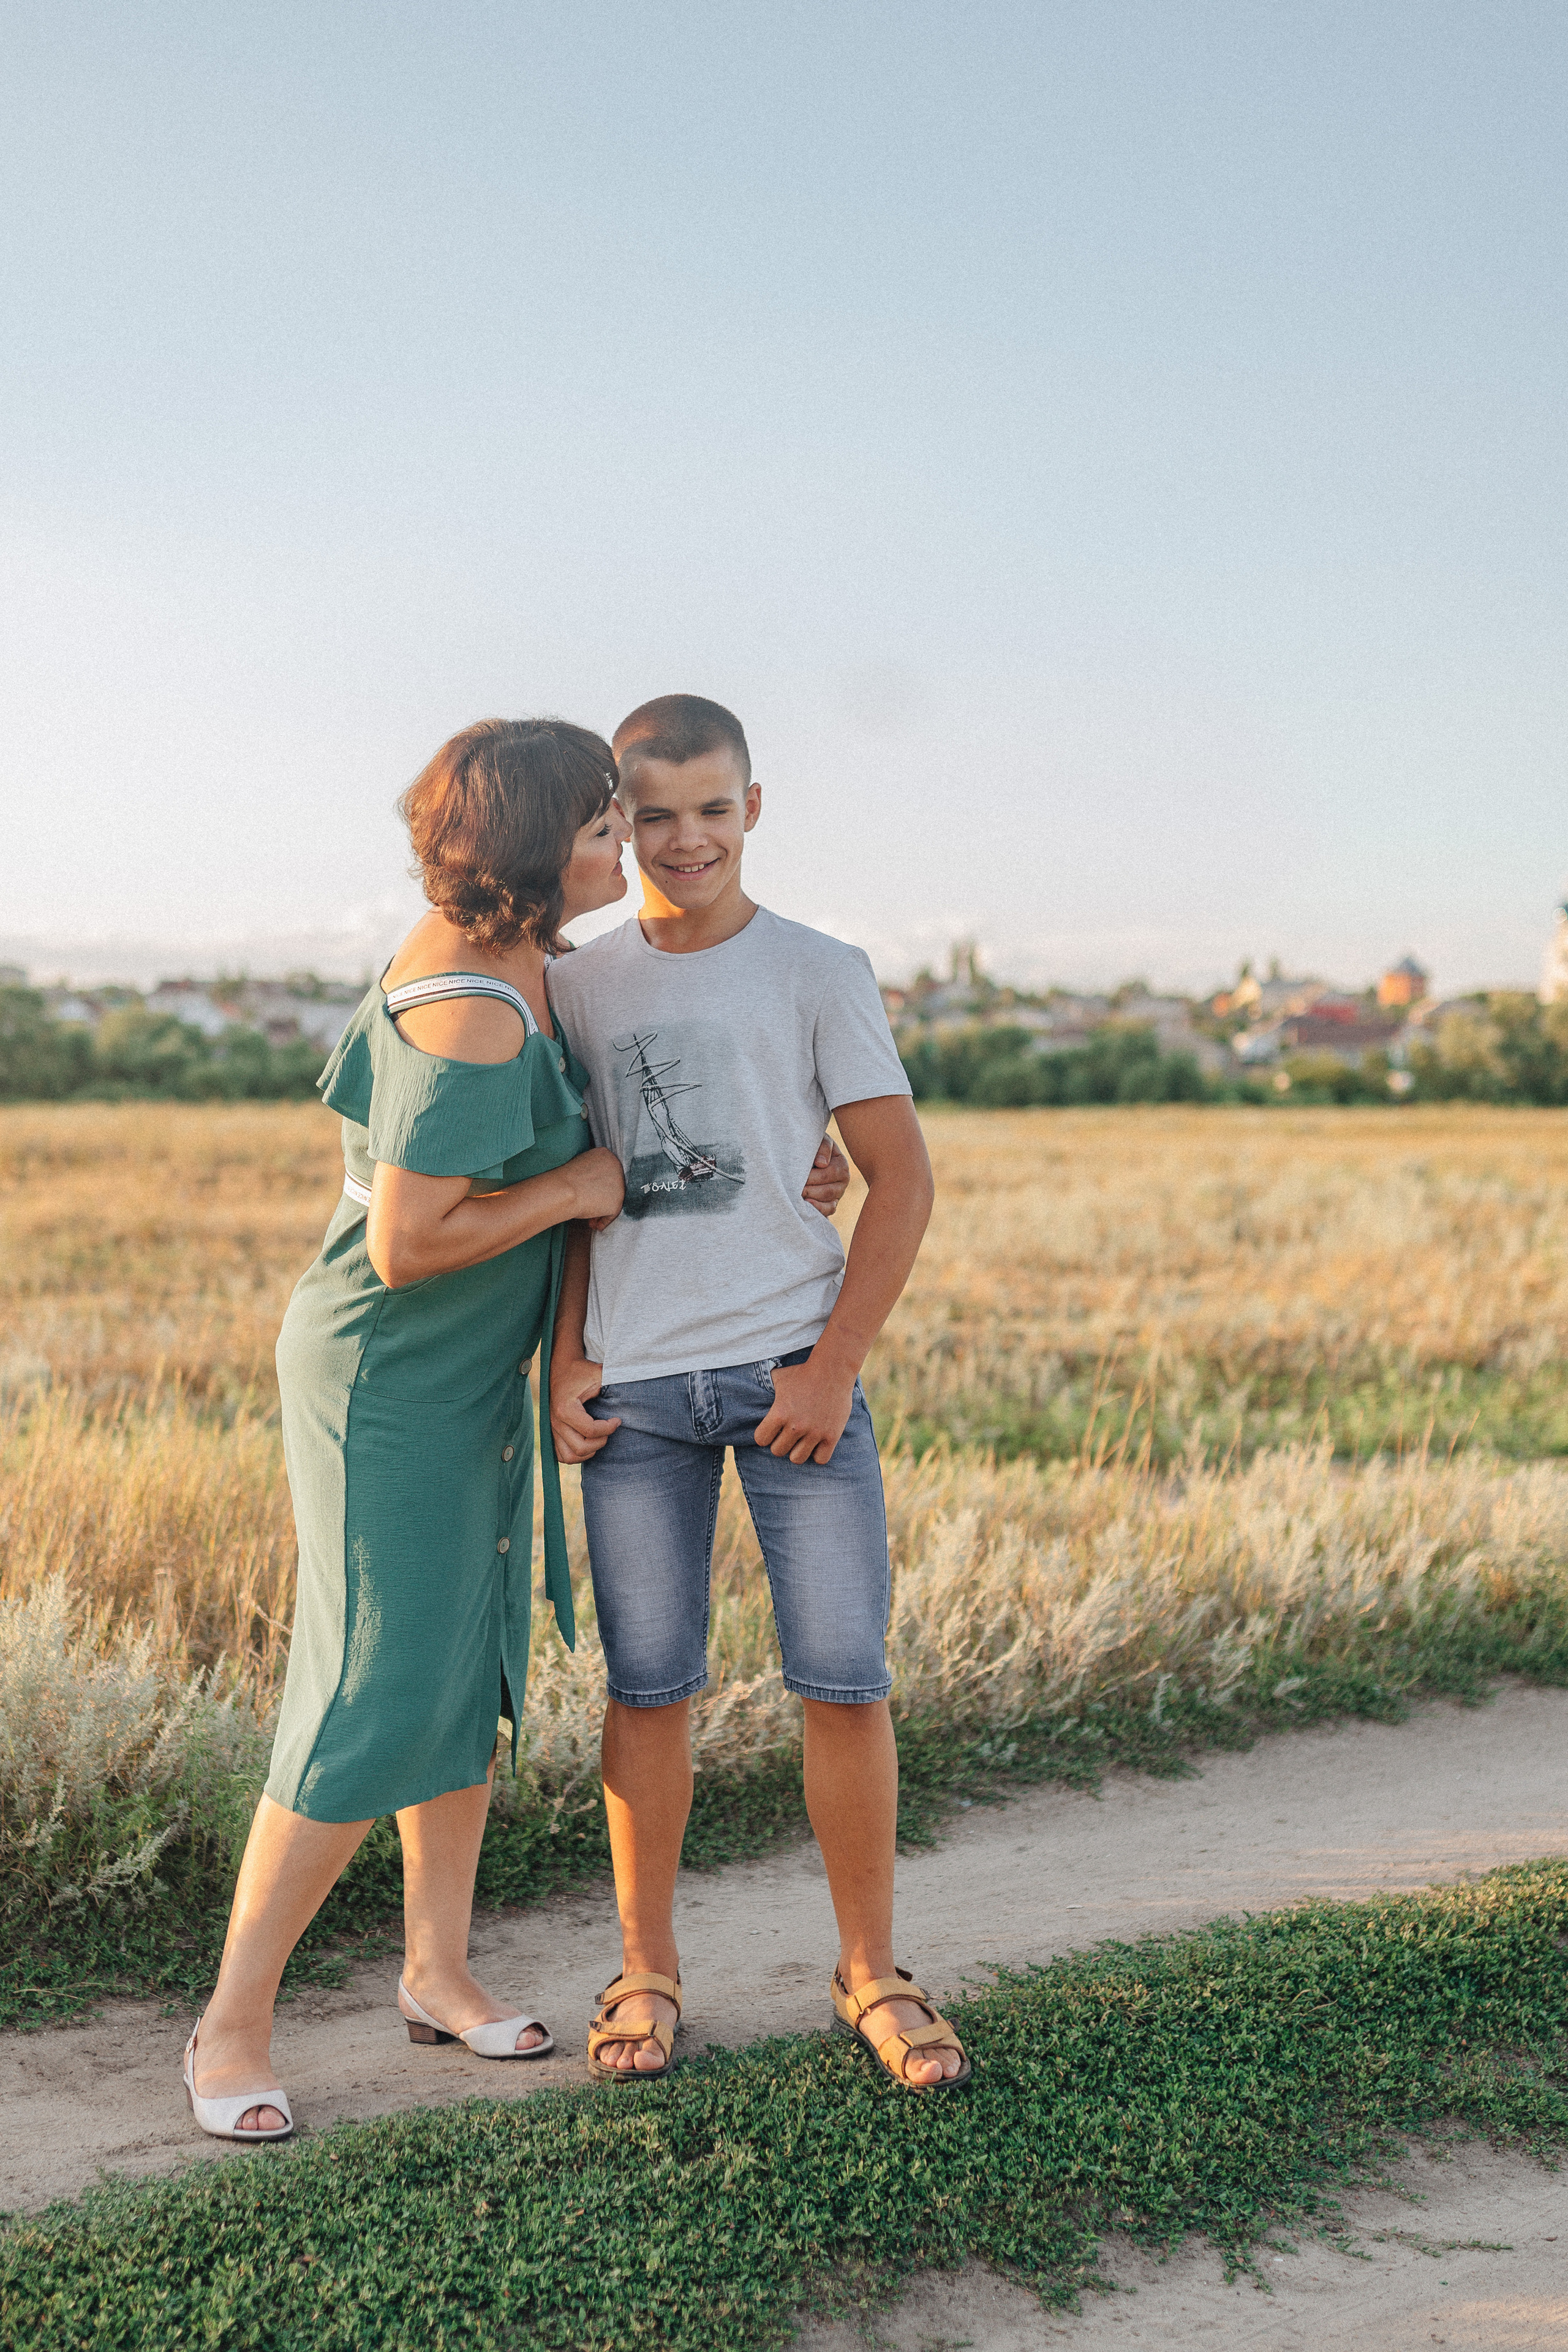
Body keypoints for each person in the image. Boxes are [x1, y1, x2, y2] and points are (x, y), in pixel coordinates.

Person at [182, 713, 854, 2142]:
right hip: (395, 1376)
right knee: (370, 1679)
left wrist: (785, 1143)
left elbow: (660, 1096)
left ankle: (435, 1969)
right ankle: (229, 2025)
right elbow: (416, 1238)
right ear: (540, 850)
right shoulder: (472, 1006)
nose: (632, 846)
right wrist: (579, 1190)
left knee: (465, 1661)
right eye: (607, 827)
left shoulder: (528, 968)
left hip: (473, 1368)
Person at [549, 693, 970, 2093]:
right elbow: (568, 1196)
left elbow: (898, 1178)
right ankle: (646, 1971)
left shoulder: (816, 968)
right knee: (648, 1686)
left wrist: (829, 1365)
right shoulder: (578, 985)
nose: (684, 840)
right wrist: (566, 1354)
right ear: (617, 820)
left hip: (792, 1375)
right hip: (638, 1397)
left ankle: (870, 1972)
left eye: (711, 810)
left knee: (845, 1681)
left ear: (753, 807)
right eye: (652, 815)